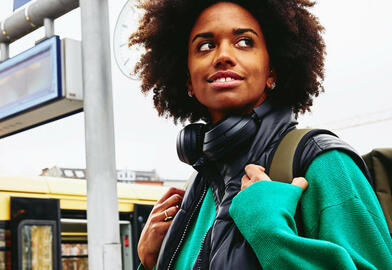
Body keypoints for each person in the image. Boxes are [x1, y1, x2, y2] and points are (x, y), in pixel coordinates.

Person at [129, 0, 392, 269]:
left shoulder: (323, 163)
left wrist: (271, 237)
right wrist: (152, 263)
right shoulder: (197, 188)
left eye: (244, 42)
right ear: (188, 81)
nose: (223, 56)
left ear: (272, 71)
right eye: (205, 45)